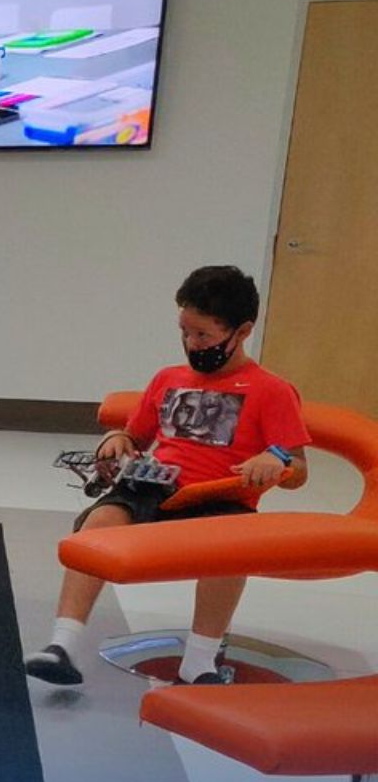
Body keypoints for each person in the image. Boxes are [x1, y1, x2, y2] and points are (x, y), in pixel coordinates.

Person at [25, 266, 310, 687]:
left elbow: (298, 470)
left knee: (232, 550)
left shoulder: (271, 391)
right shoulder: (168, 378)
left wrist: (276, 459)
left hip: (220, 498)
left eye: (203, 335)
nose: (192, 344)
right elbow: (135, 435)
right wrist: (117, 439)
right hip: (154, 486)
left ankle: (199, 661)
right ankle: (62, 645)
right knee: (98, 524)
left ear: (243, 331)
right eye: (185, 332)